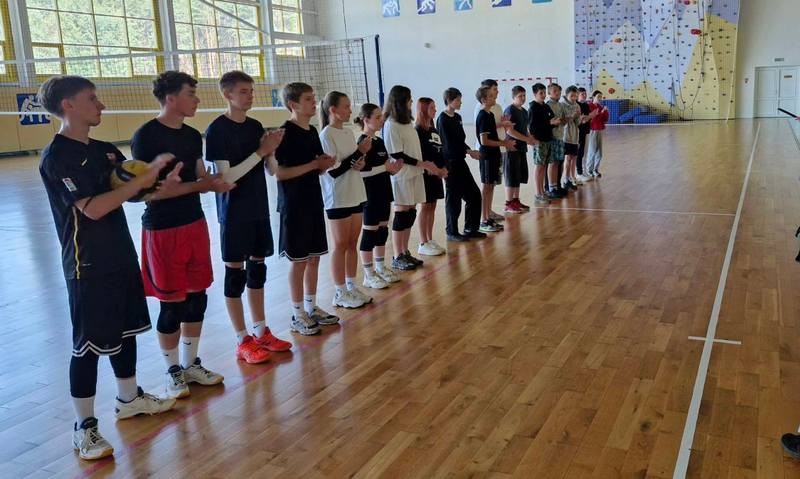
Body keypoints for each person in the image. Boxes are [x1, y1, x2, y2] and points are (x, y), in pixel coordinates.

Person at [38, 75, 177, 460]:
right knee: (87, 346)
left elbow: (124, 194)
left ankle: (129, 398)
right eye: (92, 99)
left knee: (125, 331)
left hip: (120, 254)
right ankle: (84, 427)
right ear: (68, 105)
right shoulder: (57, 157)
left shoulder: (104, 151)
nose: (101, 105)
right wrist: (140, 182)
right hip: (87, 264)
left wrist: (154, 186)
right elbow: (94, 208)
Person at [132, 71, 229, 399]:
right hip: (163, 229)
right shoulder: (146, 136)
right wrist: (200, 185)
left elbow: (201, 176)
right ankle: (172, 369)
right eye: (191, 94)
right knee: (171, 304)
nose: (197, 100)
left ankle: (190, 364)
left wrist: (217, 182)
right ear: (170, 98)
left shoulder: (190, 135)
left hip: (194, 223)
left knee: (197, 297)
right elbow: (149, 192)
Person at [204, 70, 291, 365]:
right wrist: (260, 151)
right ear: (227, 94)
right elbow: (227, 177)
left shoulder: (255, 126)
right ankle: (242, 339)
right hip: (233, 214)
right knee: (235, 276)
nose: (250, 96)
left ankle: (260, 331)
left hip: (257, 209)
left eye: (251, 91)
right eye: (243, 91)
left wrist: (271, 152)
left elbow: (271, 170)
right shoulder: (217, 130)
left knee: (258, 271)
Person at [273, 82, 339, 335]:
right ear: (294, 104)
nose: (314, 103)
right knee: (299, 261)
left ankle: (311, 308)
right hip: (294, 205)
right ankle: (297, 313)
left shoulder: (312, 131)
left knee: (314, 257)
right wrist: (313, 165)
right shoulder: (284, 133)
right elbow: (280, 173)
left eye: (314, 98)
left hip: (313, 200)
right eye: (309, 99)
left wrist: (324, 164)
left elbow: (316, 166)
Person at [319, 91, 372, 308]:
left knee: (352, 243)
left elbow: (352, 162)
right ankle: (339, 292)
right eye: (346, 106)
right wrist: (359, 152)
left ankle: (351, 286)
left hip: (355, 192)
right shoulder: (326, 135)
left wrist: (360, 161)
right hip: (338, 196)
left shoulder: (348, 132)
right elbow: (333, 171)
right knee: (340, 245)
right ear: (333, 110)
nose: (350, 110)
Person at [383, 85, 437, 271]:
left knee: (411, 213)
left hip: (415, 173)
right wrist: (422, 163)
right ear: (400, 101)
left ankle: (405, 251)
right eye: (408, 99)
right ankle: (397, 255)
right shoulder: (391, 124)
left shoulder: (406, 122)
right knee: (402, 213)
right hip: (402, 175)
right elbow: (397, 154)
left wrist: (421, 165)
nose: (411, 101)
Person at [354, 103, 403, 287]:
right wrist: (385, 167)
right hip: (370, 194)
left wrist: (393, 169)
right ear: (366, 120)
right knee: (370, 232)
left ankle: (380, 267)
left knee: (382, 230)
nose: (381, 120)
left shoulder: (380, 141)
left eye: (381, 117)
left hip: (384, 191)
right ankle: (368, 274)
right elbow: (362, 172)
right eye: (377, 117)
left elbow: (384, 167)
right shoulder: (362, 142)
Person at [436, 87, 486, 242]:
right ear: (449, 101)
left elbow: (459, 141)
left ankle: (471, 228)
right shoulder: (442, 119)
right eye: (457, 100)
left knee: (474, 195)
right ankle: (452, 231)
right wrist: (469, 152)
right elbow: (448, 145)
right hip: (450, 164)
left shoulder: (457, 117)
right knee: (454, 200)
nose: (460, 102)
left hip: (460, 162)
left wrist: (469, 150)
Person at [476, 85, 515, 233]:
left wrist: (505, 141)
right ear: (483, 100)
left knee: (491, 186)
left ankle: (488, 217)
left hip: (494, 154)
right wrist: (503, 143)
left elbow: (494, 135)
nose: (494, 98)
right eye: (491, 96)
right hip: (486, 155)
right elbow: (484, 141)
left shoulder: (490, 115)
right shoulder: (482, 115)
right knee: (486, 187)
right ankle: (483, 220)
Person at [415, 97, 448, 256]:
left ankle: (429, 239)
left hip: (437, 174)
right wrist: (431, 168)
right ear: (423, 110)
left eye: (435, 107)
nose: (435, 110)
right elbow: (420, 154)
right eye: (432, 108)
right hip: (426, 174)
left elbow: (439, 151)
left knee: (432, 205)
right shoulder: (417, 131)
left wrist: (443, 168)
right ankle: (423, 242)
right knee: (425, 206)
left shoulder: (434, 130)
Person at [503, 85, 539, 212]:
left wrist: (530, 138)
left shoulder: (524, 111)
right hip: (511, 148)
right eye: (520, 96)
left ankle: (516, 200)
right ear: (513, 97)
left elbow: (525, 129)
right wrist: (526, 139)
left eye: (524, 95)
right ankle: (508, 203)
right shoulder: (509, 110)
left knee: (518, 175)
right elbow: (509, 131)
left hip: (522, 148)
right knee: (511, 176)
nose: (523, 98)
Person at [529, 83, 560, 201]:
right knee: (539, 166)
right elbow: (533, 127)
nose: (543, 95)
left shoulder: (546, 107)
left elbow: (552, 119)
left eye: (544, 93)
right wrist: (549, 123)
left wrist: (554, 122)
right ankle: (538, 193)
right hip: (539, 141)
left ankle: (542, 191)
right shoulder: (533, 108)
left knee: (544, 166)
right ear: (535, 94)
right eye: (540, 93)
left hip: (548, 139)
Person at [545, 83, 569, 195]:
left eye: (559, 90)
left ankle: (557, 185)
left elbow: (563, 120)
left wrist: (564, 120)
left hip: (560, 136)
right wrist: (554, 122)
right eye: (554, 91)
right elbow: (547, 122)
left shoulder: (560, 105)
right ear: (549, 93)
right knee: (553, 162)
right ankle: (551, 187)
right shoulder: (547, 105)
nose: (557, 92)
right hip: (552, 137)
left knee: (559, 162)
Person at [560, 85, 582, 189]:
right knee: (568, 158)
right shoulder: (562, 105)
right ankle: (566, 179)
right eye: (572, 96)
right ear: (566, 95)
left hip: (575, 135)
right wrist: (573, 116)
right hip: (566, 135)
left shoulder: (577, 106)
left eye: (575, 96)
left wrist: (579, 117)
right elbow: (563, 121)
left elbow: (577, 123)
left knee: (573, 158)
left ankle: (572, 178)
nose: (574, 98)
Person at [586, 90, 610, 178]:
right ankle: (589, 170)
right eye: (598, 96)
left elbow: (605, 119)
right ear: (593, 97)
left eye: (601, 97)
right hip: (592, 130)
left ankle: (595, 169)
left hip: (599, 129)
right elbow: (593, 119)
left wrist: (606, 112)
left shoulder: (600, 107)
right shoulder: (589, 106)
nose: (600, 98)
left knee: (599, 152)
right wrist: (601, 112)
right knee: (592, 151)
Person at [575, 87, 596, 183]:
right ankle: (579, 173)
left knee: (584, 152)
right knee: (579, 153)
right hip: (578, 132)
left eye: (585, 93)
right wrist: (588, 117)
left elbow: (587, 119)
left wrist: (590, 116)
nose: (584, 95)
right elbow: (582, 120)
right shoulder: (576, 105)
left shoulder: (586, 105)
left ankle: (584, 171)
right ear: (578, 95)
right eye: (582, 94)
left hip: (586, 131)